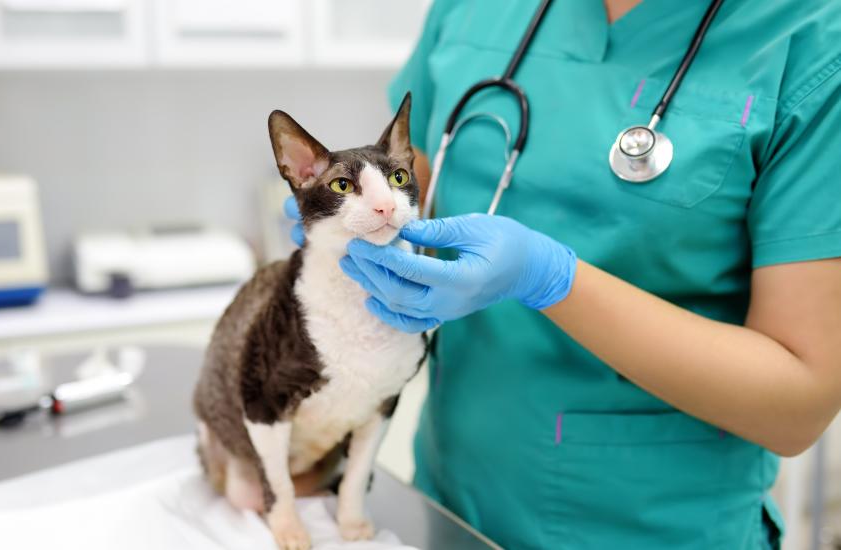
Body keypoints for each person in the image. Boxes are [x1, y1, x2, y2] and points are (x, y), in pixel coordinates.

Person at [286, 0, 841, 547]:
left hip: (653, 526)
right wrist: (348, 223)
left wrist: (550, 279)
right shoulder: (467, 10)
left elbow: (798, 404)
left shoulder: (812, 37)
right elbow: (415, 175)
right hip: (448, 507)